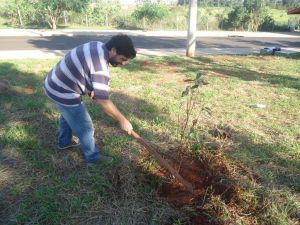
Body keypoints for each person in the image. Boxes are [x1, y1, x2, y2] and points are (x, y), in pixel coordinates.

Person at [44, 34, 136, 164]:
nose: (124, 63)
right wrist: (122, 120)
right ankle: (93, 157)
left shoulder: (97, 45)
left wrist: (91, 88)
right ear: (114, 50)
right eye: (123, 58)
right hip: (62, 91)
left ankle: (64, 142)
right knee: (86, 127)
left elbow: (85, 69)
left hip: (53, 83)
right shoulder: (100, 66)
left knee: (68, 115)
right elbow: (103, 101)